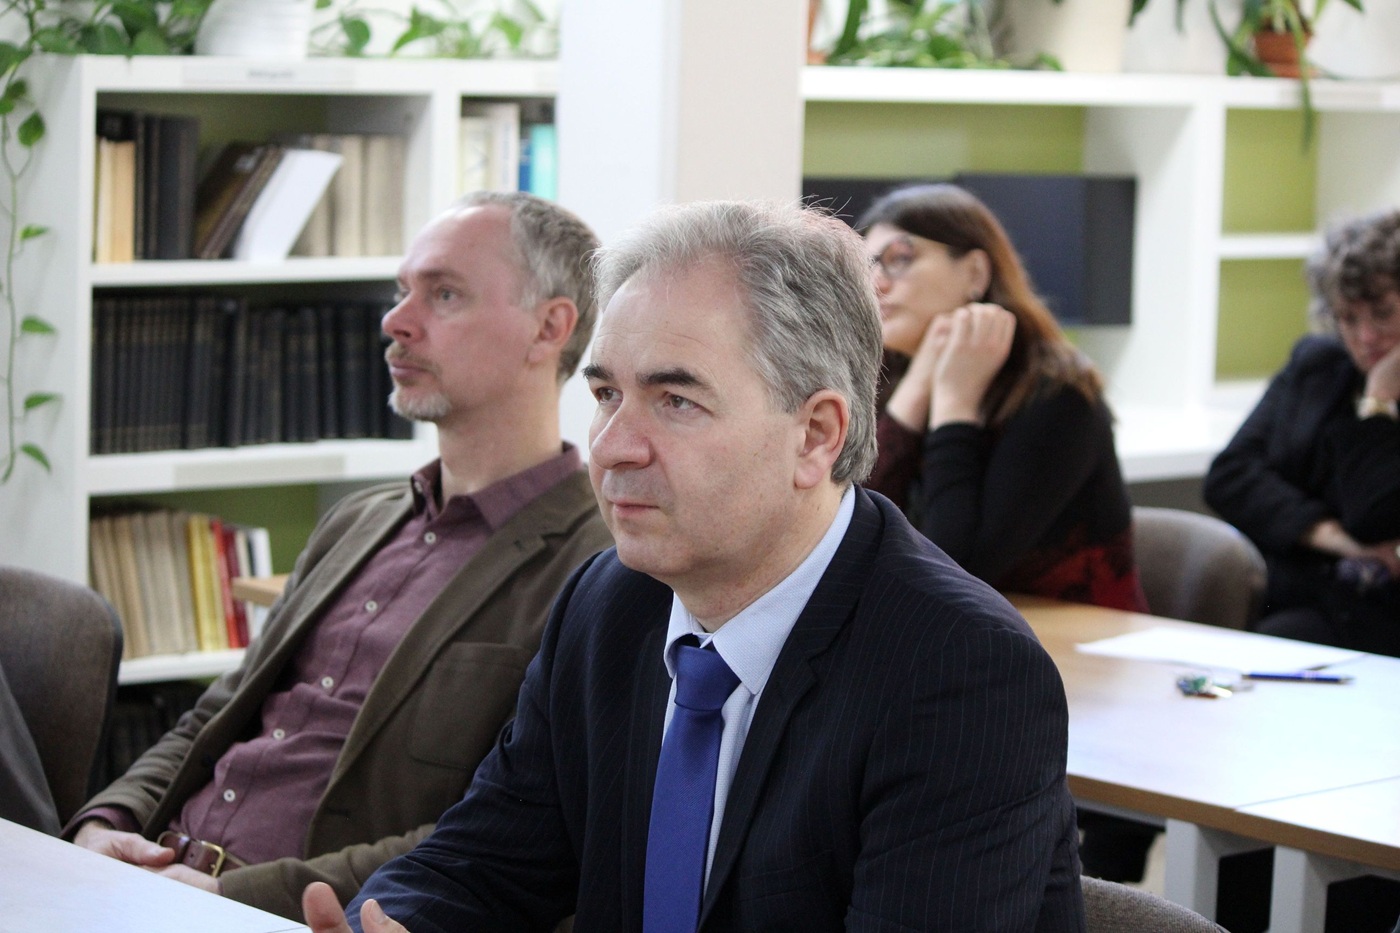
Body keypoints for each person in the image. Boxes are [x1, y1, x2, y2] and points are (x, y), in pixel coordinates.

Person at [302, 199, 1085, 933]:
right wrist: (392, 921)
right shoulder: (609, 603)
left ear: (815, 435)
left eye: (675, 401)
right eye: (606, 394)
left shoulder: (963, 671)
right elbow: (485, 856)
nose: (611, 447)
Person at [64, 191, 614, 921]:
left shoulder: (598, 567)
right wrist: (108, 822)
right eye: (401, 290)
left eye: (444, 294)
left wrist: (232, 895)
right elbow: (220, 711)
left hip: (291, 912)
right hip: (152, 881)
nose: (396, 321)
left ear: (550, 327)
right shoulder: (358, 519)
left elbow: (499, 839)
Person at [858, 183, 1147, 613]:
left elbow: (954, 572)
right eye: (867, 265)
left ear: (975, 273)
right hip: (951, 633)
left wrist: (955, 406)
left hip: (1070, 640)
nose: (877, 283)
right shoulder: (890, 374)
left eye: (899, 258)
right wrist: (918, 388)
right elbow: (851, 536)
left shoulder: (1057, 395)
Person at [1205, 208, 1400, 657]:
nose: (1365, 337)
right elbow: (1230, 476)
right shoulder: (1318, 364)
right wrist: (1333, 537)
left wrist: (1379, 398)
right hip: (1304, 598)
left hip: (1381, 617)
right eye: (1347, 318)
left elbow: (1375, 515)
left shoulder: (1373, 384)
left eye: (1383, 314)